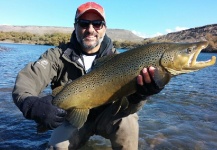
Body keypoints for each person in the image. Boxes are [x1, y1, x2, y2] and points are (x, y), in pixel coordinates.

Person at [12, 2, 163, 150]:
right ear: (75, 26)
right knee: (57, 147)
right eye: (84, 23)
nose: (90, 29)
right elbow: (29, 79)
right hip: (72, 117)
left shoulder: (120, 61)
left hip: (108, 116)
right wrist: (30, 104)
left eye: (97, 23)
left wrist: (139, 96)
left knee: (128, 121)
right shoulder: (57, 55)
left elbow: (127, 108)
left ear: (104, 28)